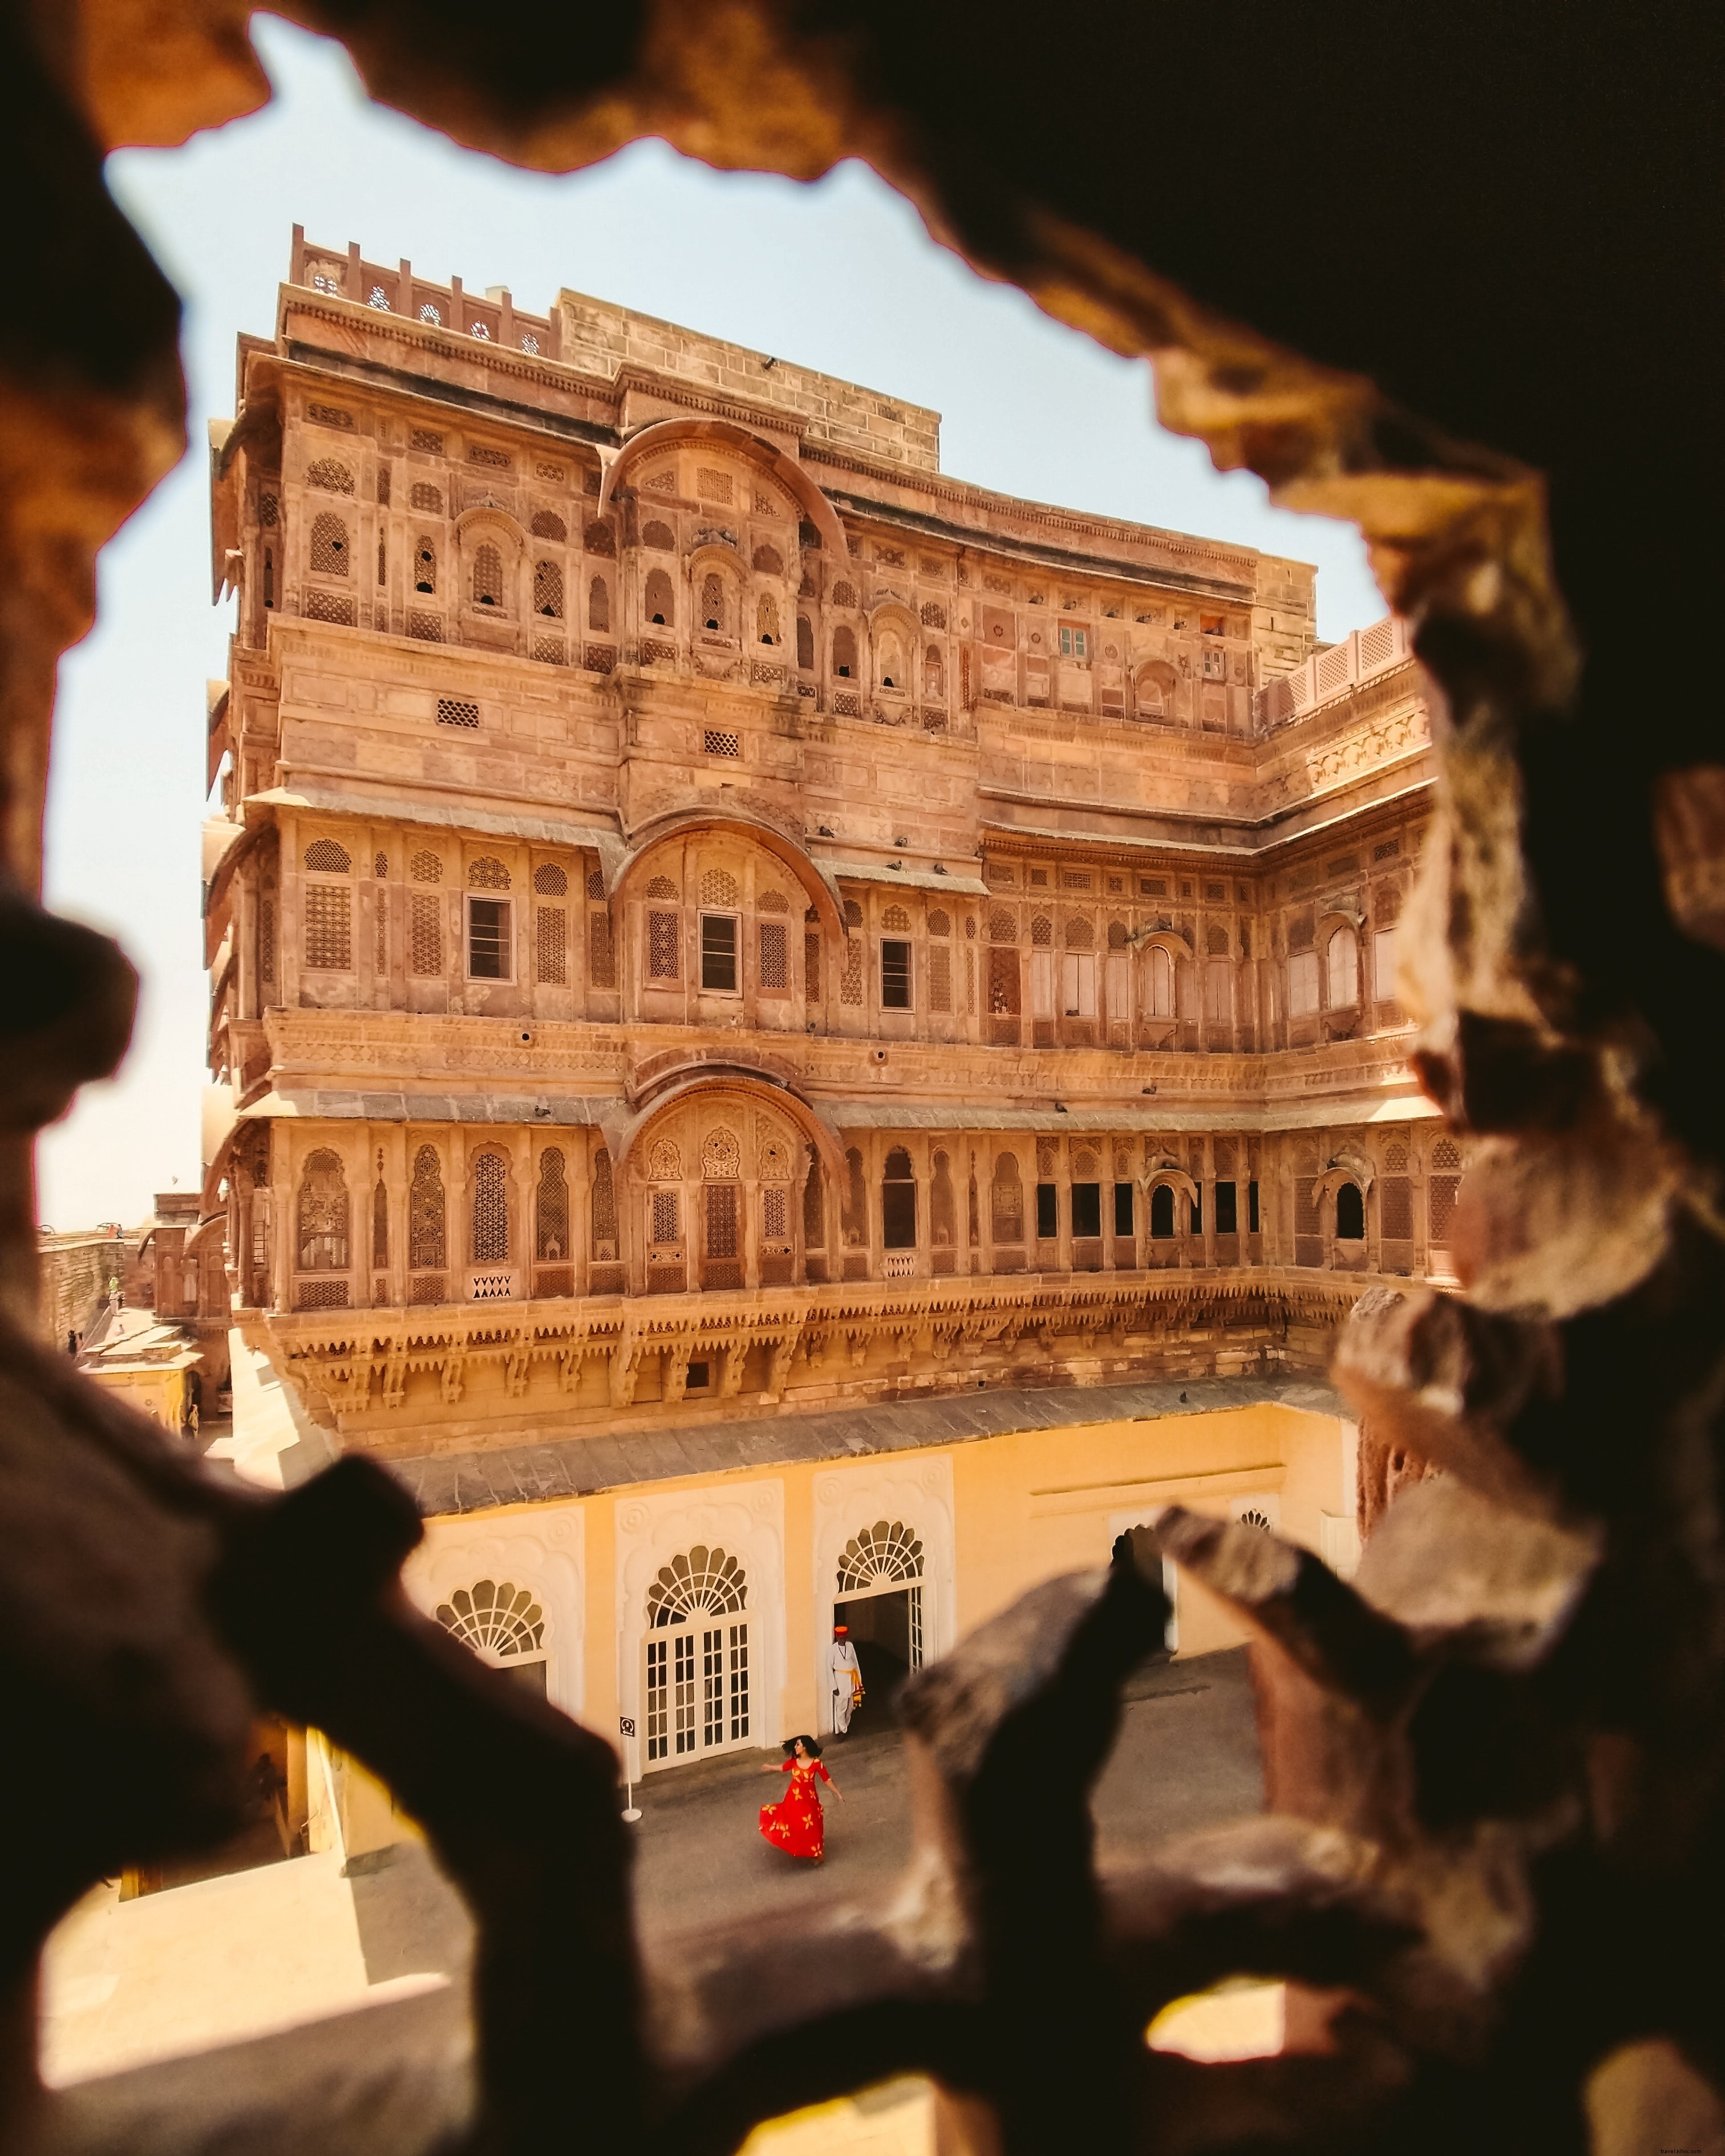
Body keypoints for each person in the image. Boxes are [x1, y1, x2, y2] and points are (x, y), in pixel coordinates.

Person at [759, 1735, 843, 1862]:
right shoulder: (794, 1761)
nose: (795, 1747)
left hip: (809, 1799)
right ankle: (792, 1842)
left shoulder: (816, 1764)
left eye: (798, 1745)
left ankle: (818, 1852)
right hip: (794, 1798)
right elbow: (783, 1768)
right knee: (792, 1821)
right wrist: (770, 1767)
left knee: (812, 1824)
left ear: (805, 1747)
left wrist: (837, 1792)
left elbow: (826, 1779)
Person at [828, 1623, 864, 1737]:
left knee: (850, 1707)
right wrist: (834, 1687)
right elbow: (829, 1669)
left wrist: (859, 1680)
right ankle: (843, 1731)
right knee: (841, 1707)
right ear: (837, 1638)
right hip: (840, 1681)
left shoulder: (850, 1646)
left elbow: (856, 1662)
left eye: (844, 1638)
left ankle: (846, 1726)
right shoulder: (832, 1650)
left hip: (852, 1680)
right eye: (840, 1638)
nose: (842, 1640)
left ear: (847, 1637)